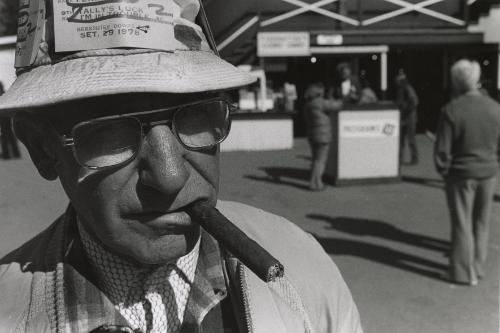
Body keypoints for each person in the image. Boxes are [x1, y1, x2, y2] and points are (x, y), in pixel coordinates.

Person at [0, 0, 363, 332]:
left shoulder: (303, 269)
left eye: (197, 116)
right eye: (109, 132)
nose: (170, 177)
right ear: (42, 148)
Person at [434, 59, 500, 286]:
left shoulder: (452, 110)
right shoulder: (494, 107)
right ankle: (478, 268)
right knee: (482, 222)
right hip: (488, 172)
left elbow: (442, 151)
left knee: (462, 224)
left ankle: (462, 273)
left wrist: (444, 171)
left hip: (461, 174)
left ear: (456, 81)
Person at [304, 82, 343, 191]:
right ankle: (316, 183)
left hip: (312, 135)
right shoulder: (319, 103)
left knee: (315, 160)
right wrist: (340, 99)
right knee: (320, 161)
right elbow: (337, 105)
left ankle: (315, 182)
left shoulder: (308, 104)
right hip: (322, 135)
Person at [395, 69, 419, 165]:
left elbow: (414, 102)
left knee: (411, 138)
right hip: (403, 116)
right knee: (401, 139)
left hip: (409, 117)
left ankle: (414, 158)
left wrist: (406, 108)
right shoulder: (399, 90)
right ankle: (399, 158)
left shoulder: (408, 89)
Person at [0, 82, 20, 159]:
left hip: (3, 114)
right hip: (6, 113)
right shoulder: (4, 92)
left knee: (5, 133)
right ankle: (16, 153)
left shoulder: (1, 93)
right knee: (8, 132)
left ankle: (6, 154)